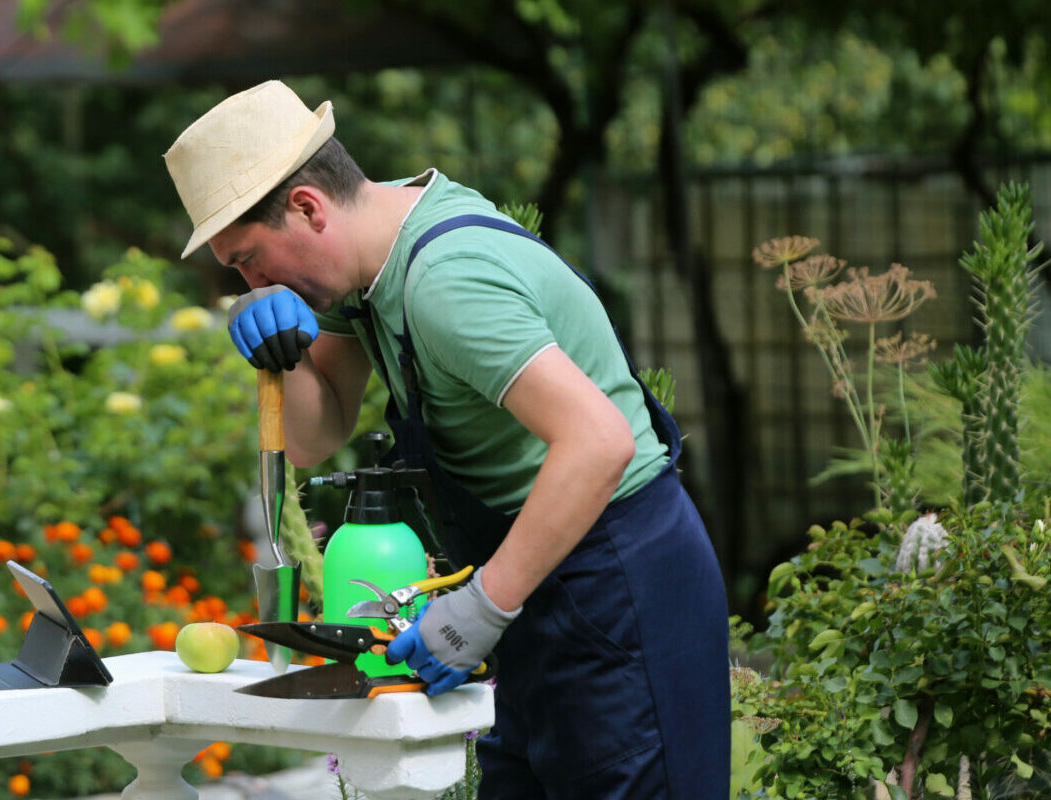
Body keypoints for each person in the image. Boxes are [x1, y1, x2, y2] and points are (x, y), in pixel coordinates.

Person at [164, 80, 728, 800]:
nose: (247, 279)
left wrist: (481, 608)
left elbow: (599, 441)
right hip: (535, 580)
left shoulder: (443, 281)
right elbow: (317, 433)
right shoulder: (367, 264)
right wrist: (276, 342)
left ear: (307, 207)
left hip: (617, 581)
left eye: (248, 260)